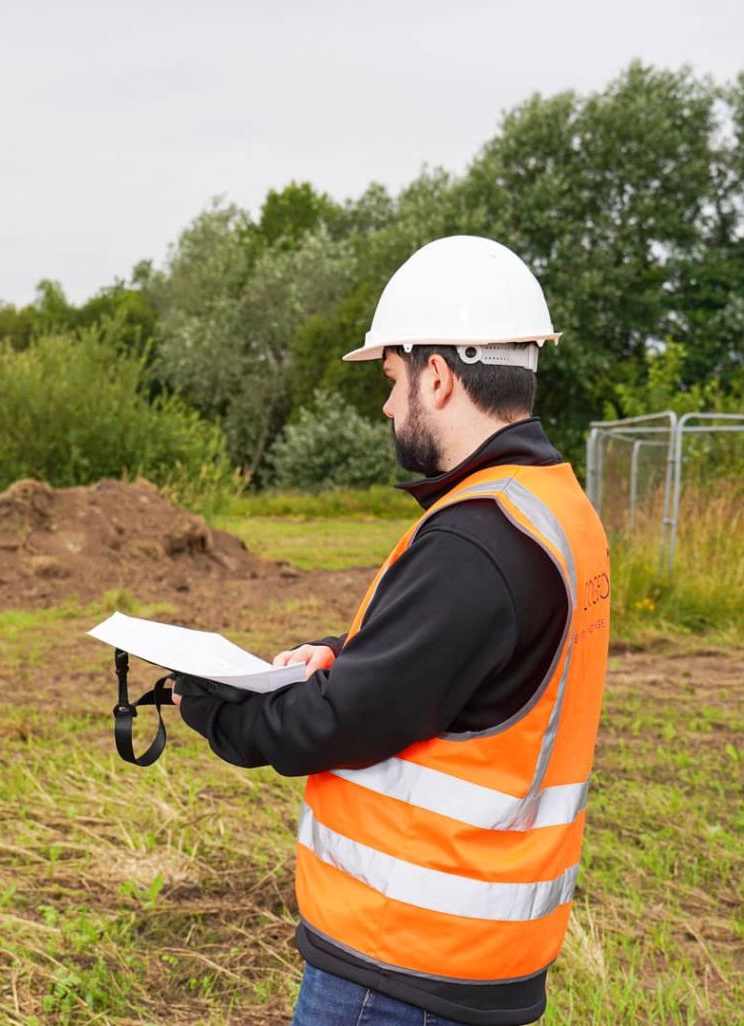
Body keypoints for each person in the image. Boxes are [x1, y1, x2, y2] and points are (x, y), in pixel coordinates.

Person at [172, 236, 612, 1026]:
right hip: (476, 955)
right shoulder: (553, 506)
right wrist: (347, 655)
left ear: (436, 376)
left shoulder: (476, 538)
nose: (385, 406)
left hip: (402, 967)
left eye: (390, 379)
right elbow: (470, 669)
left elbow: (342, 722)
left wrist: (215, 707)